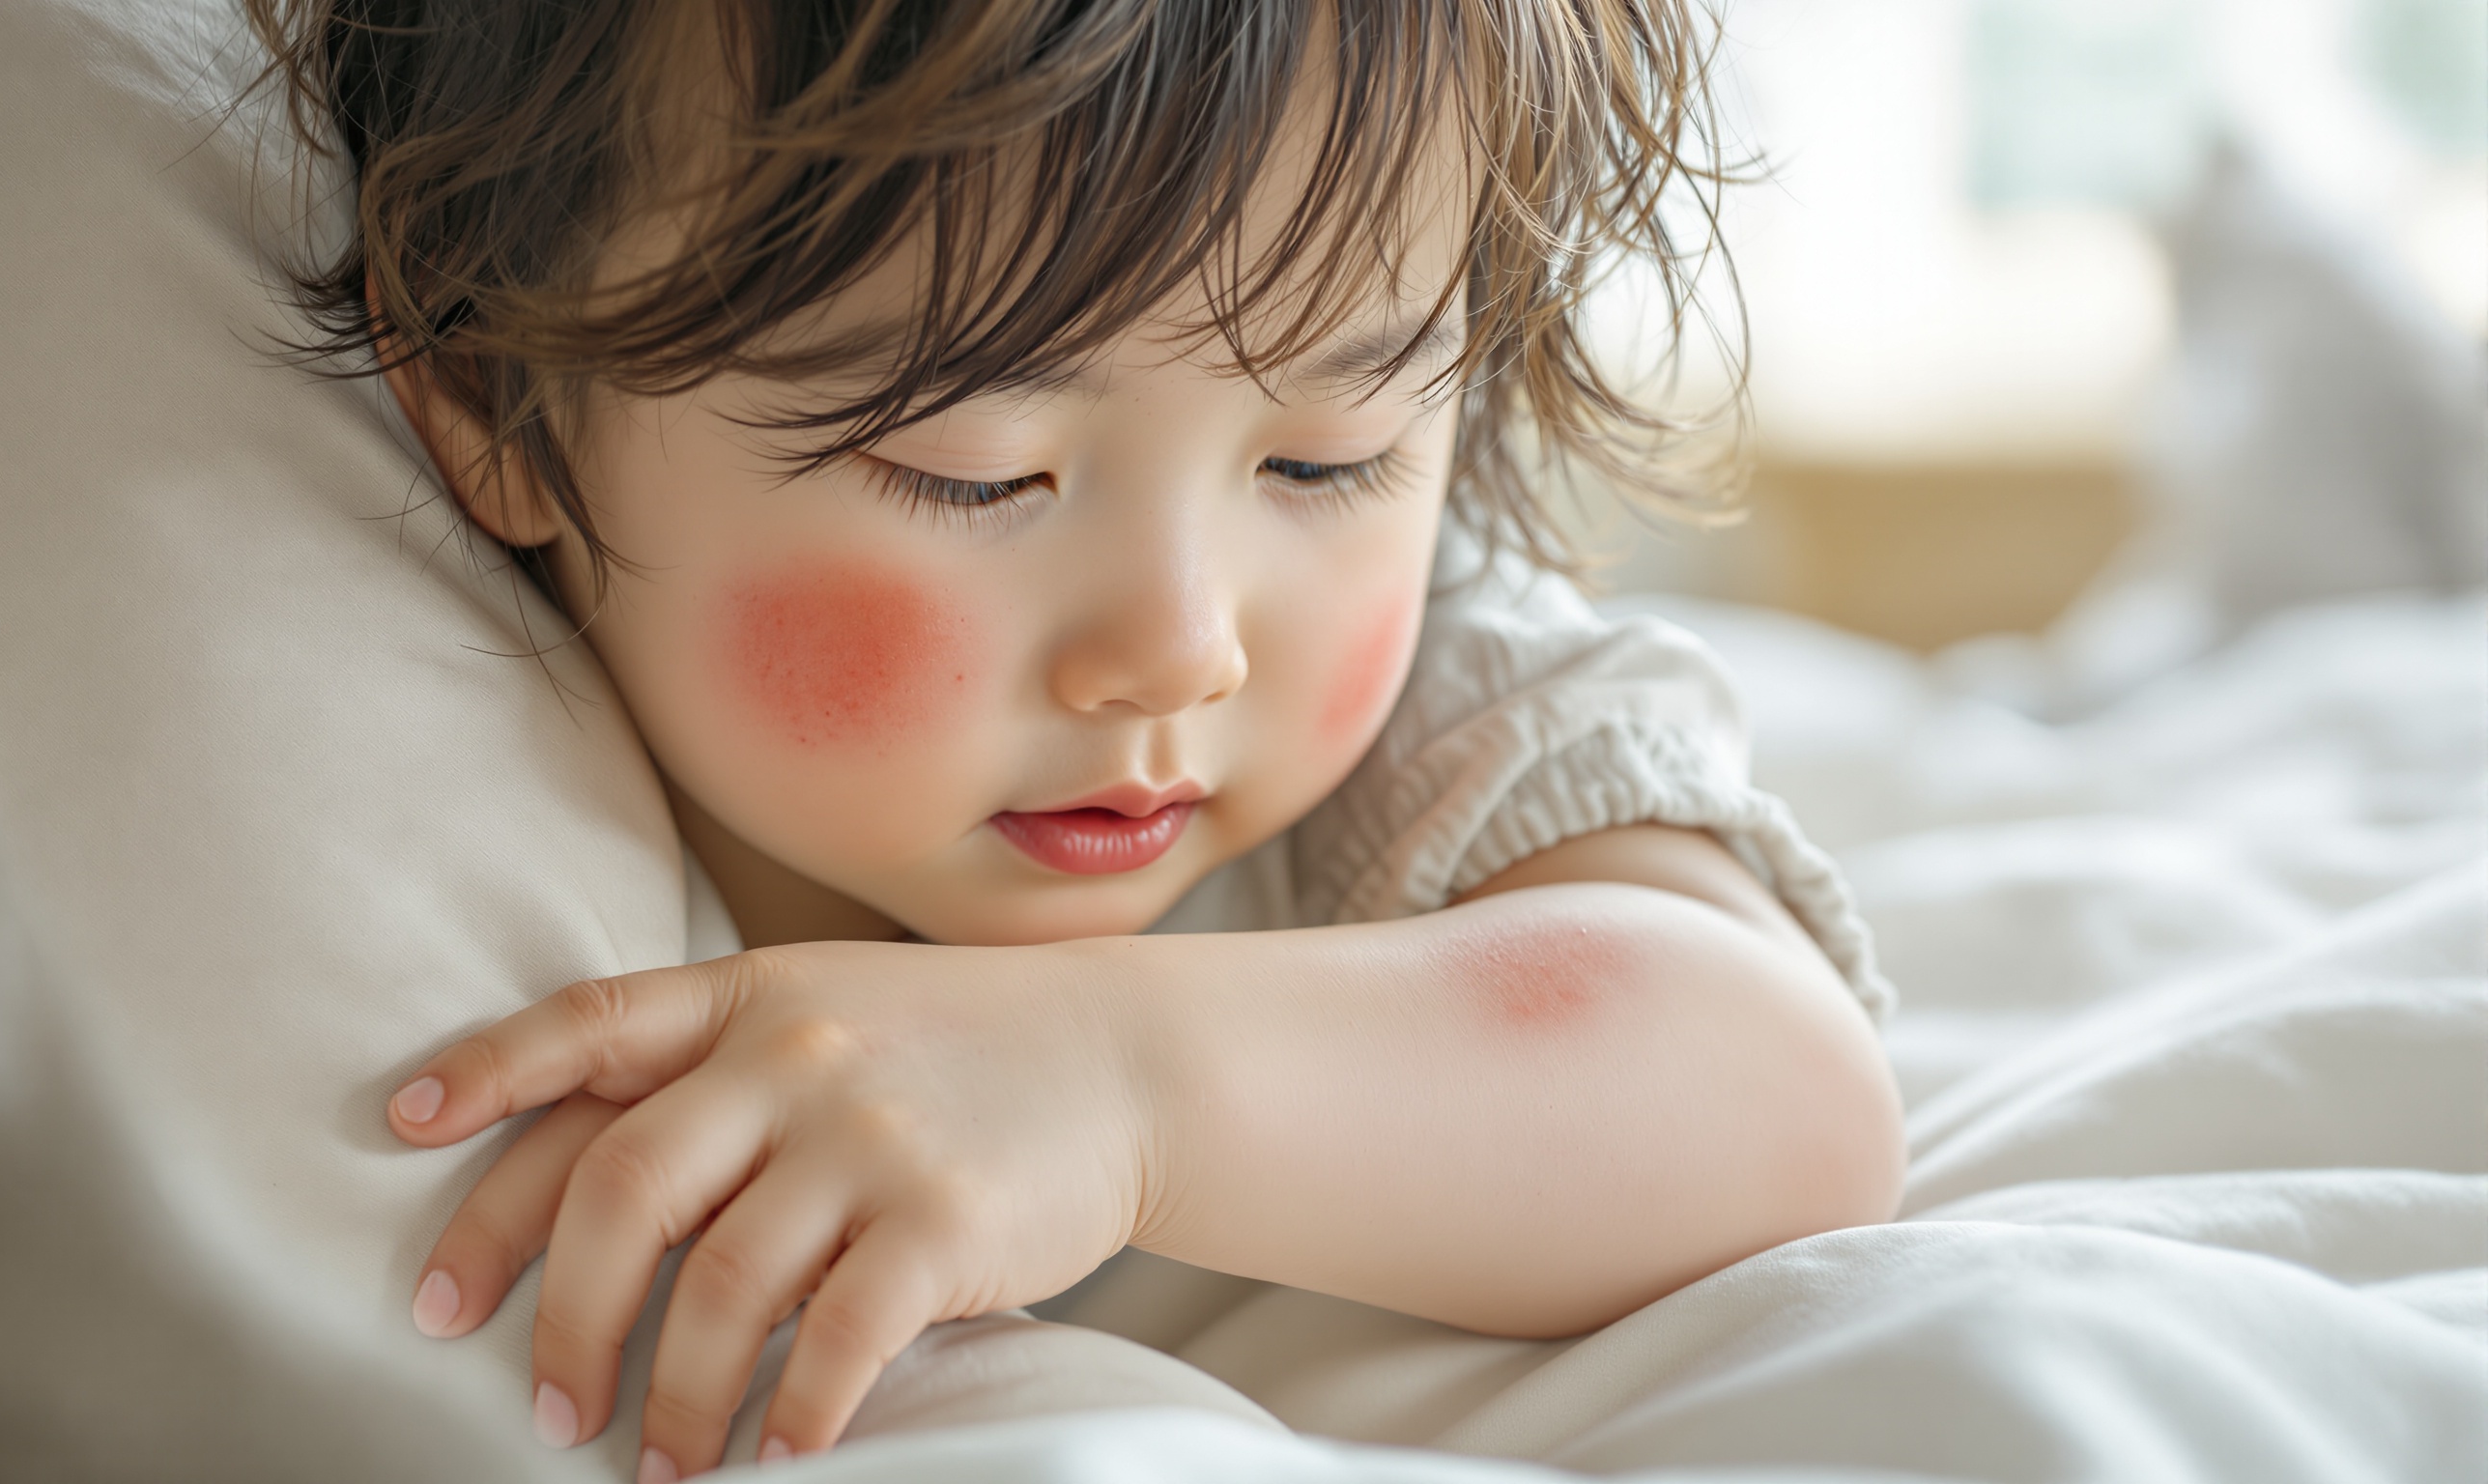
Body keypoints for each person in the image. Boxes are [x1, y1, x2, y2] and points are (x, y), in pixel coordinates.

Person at [244, 1, 1905, 1476]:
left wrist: (1123, 1087)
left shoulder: (1442, 704)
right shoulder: (426, 738)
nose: (1184, 645)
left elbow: (1790, 1092)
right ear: (481, 390)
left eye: (1326, 461)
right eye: (978, 474)